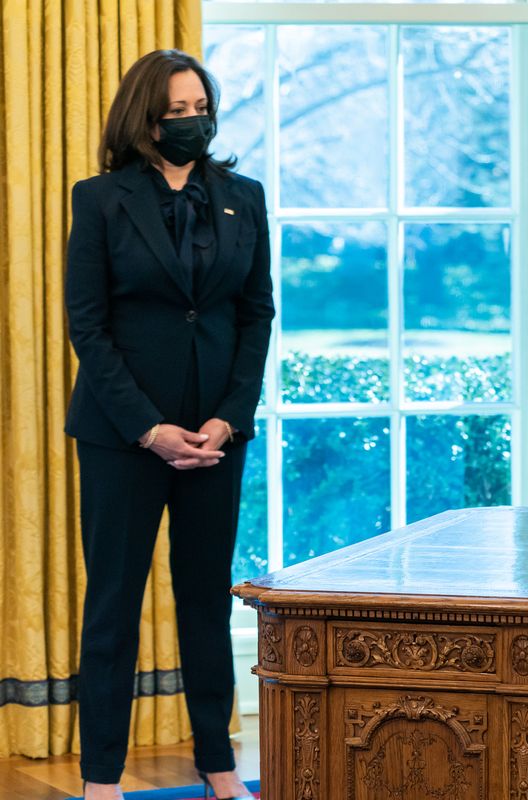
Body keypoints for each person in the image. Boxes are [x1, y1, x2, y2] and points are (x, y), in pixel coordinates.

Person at [65, 50, 272, 800]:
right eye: (176, 111)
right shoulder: (100, 199)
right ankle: (100, 779)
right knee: (113, 603)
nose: (193, 121)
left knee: (203, 600)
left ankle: (218, 765)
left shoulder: (243, 197)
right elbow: (87, 327)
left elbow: (256, 315)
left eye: (201, 107)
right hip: (123, 435)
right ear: (144, 117)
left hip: (216, 435)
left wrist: (227, 418)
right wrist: (149, 428)